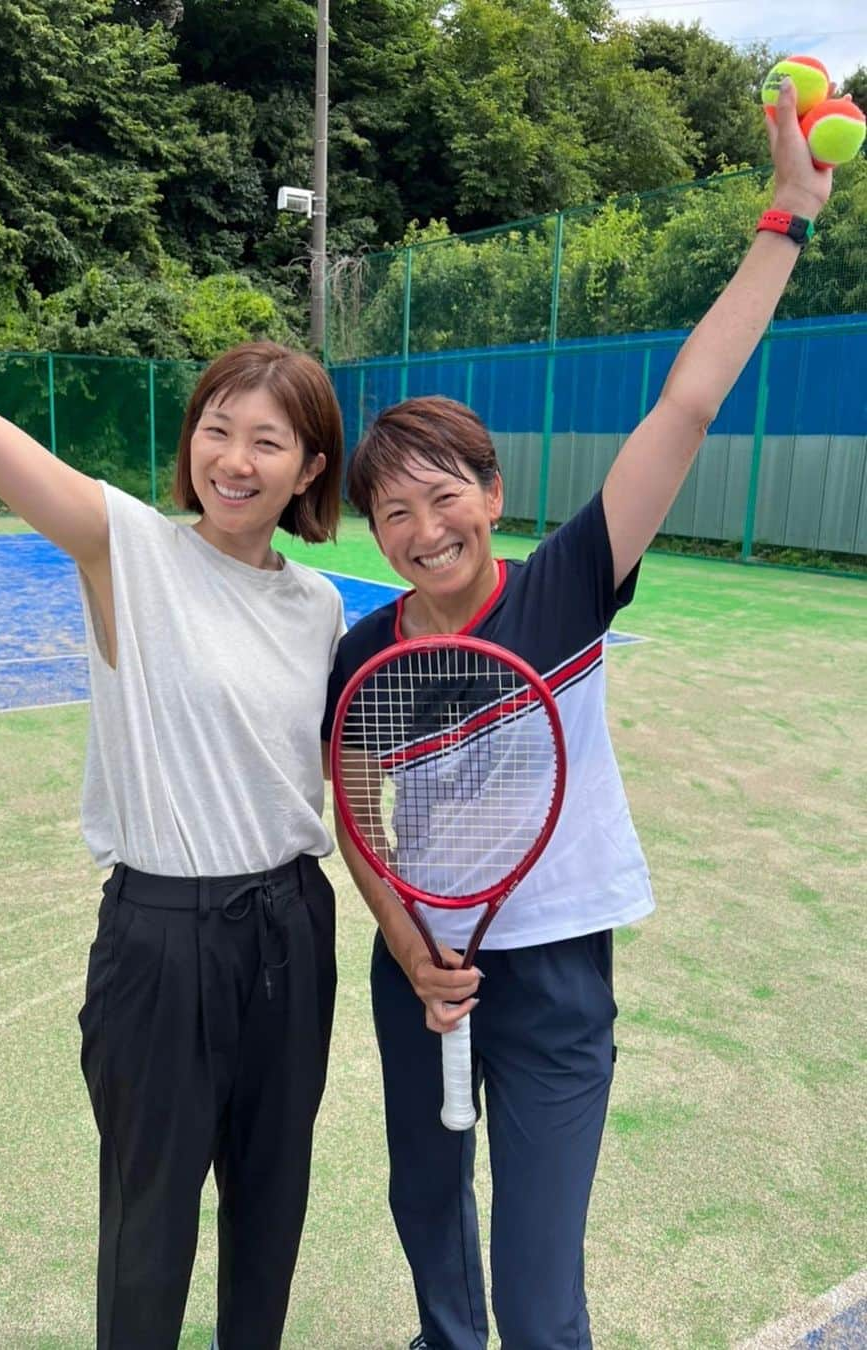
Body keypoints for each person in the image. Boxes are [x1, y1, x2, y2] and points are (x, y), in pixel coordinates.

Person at [321, 78, 833, 1350]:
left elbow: (688, 404)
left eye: (446, 497)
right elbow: (356, 813)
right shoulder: (363, 655)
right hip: (414, 978)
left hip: (552, 980)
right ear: (372, 535)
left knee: (539, 1292)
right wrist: (402, 946)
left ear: (492, 493)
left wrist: (785, 223)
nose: (425, 528)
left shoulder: (567, 587)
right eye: (394, 513)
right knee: (428, 1233)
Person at [0, 307, 346, 1349]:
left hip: (293, 934)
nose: (234, 458)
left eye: (268, 441)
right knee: (152, 1230)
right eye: (216, 427)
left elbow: (312, 775)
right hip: (164, 939)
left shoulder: (317, 606)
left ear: (310, 468)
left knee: (273, 1209)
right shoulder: (125, 549)